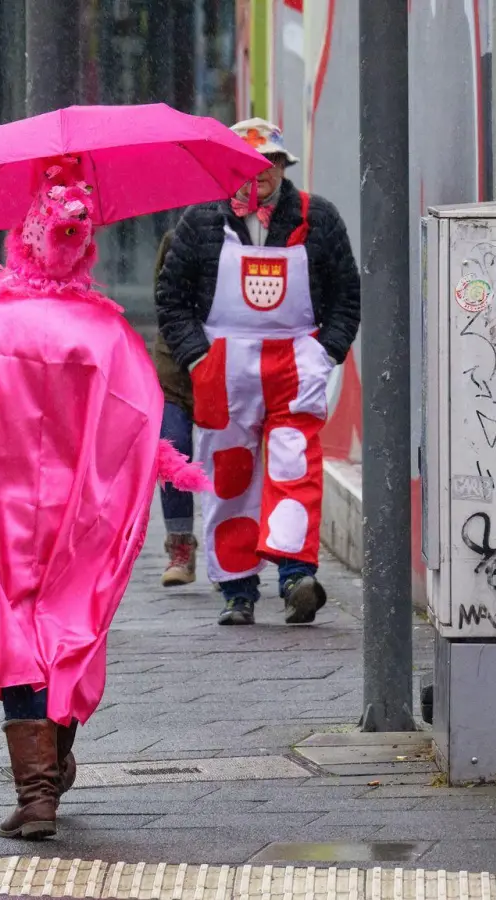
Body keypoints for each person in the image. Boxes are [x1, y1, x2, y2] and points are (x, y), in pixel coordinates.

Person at [0, 159, 208, 840]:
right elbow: (140, 422)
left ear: (20, 240)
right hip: (82, 512)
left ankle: (37, 792)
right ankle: (53, 759)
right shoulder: (106, 332)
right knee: (67, 627)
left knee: (11, 631)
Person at [155, 117, 361, 627]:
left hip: (296, 364)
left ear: (283, 167)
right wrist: (198, 358)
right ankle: (237, 589)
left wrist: (324, 354)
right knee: (229, 475)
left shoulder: (319, 217)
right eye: (247, 162)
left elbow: (346, 296)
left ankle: (296, 578)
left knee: (295, 467)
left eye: (270, 161)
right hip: (224, 369)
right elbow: (171, 299)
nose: (259, 171)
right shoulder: (199, 221)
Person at [148, 230, 199, 586]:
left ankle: (231, 557)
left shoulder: (242, 239)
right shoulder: (177, 237)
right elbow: (163, 299)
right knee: (173, 446)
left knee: (230, 460)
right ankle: (180, 546)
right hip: (175, 368)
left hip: (228, 363)